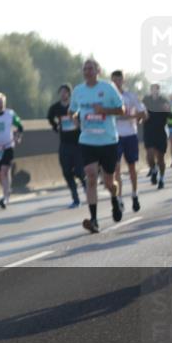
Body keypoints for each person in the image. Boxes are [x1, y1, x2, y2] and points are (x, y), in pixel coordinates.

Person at [70, 59, 124, 233]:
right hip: (87, 141)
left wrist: (104, 111)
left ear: (98, 70)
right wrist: (75, 116)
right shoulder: (78, 91)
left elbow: (121, 110)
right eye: (85, 69)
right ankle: (94, 219)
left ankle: (115, 199)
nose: (87, 71)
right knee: (91, 176)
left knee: (109, 182)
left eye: (90, 68)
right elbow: (72, 111)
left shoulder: (108, 88)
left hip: (108, 141)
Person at [110, 70, 146, 212]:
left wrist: (131, 117)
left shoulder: (130, 96)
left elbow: (143, 113)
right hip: (115, 137)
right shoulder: (109, 99)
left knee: (132, 168)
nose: (117, 83)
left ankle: (134, 194)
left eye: (119, 80)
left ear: (123, 81)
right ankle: (119, 199)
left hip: (130, 134)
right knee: (116, 169)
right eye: (114, 81)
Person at [47, 84, 87, 208]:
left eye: (65, 92)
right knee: (66, 172)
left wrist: (80, 125)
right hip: (64, 143)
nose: (63, 94)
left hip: (78, 143)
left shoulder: (76, 106)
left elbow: (85, 117)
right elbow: (49, 117)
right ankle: (75, 199)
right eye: (61, 92)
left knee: (80, 171)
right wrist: (55, 126)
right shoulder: (56, 107)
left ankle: (86, 186)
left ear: (69, 94)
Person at [142, 83, 172, 189]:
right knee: (150, 155)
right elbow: (140, 112)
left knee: (161, 158)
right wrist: (142, 116)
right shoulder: (146, 100)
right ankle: (154, 170)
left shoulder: (164, 100)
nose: (155, 90)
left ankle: (162, 179)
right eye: (153, 89)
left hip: (160, 132)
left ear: (159, 90)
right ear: (151, 90)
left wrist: (167, 110)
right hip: (149, 131)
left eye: (157, 89)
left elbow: (171, 116)